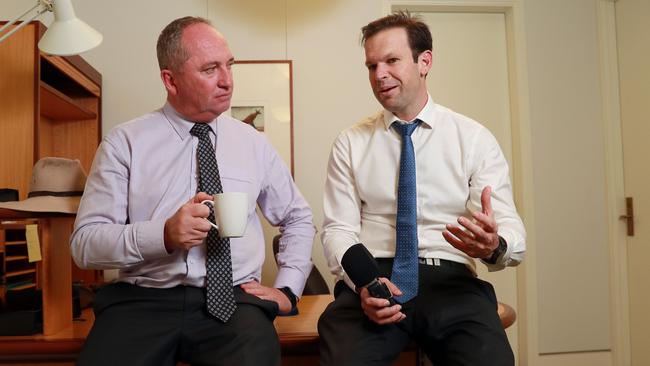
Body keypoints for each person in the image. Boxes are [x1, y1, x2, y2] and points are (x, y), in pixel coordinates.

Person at [70, 16, 315, 366]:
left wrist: (288, 289)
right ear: (171, 80)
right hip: (142, 301)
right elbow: (85, 245)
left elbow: (298, 216)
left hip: (234, 300)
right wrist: (164, 235)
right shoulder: (124, 143)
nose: (227, 81)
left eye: (229, 65)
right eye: (210, 69)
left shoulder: (253, 144)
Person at [318, 11, 526, 366]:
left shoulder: (473, 139)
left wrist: (494, 245)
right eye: (371, 65)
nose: (379, 74)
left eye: (391, 60)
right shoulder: (350, 143)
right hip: (374, 278)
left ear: (424, 61)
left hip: (450, 280)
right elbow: (338, 229)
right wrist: (366, 285)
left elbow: (508, 228)